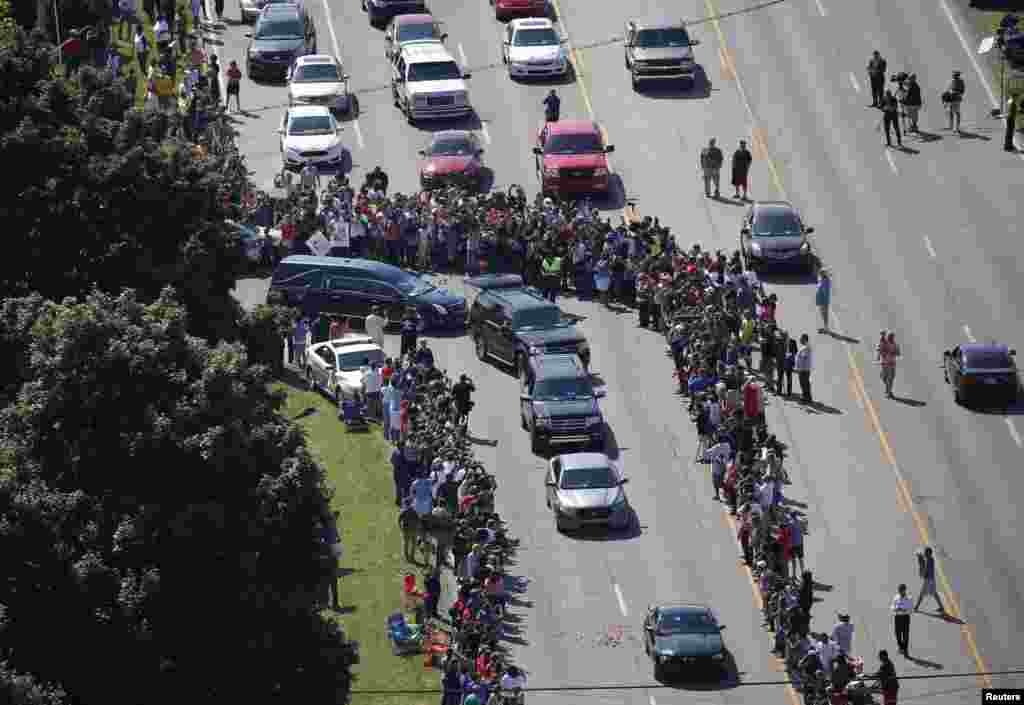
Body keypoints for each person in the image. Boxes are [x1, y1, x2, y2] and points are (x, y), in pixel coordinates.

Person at [914, 547, 945, 613]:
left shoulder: (928, 561)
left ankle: (916, 607)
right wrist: (920, 557)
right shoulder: (931, 559)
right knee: (934, 594)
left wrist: (920, 563)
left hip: (928, 580)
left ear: (928, 553)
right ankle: (942, 607)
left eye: (925, 552)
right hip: (932, 580)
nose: (924, 553)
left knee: (921, 594)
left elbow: (925, 571)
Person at [891, 583, 913, 656]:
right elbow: (892, 606)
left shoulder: (909, 598)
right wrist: (895, 609)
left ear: (905, 590)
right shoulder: (896, 597)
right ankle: (901, 647)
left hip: (905, 617)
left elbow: (911, 610)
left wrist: (904, 610)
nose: (900, 592)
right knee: (897, 633)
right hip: (897, 617)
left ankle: (905, 649)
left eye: (901, 590)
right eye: (899, 590)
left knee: (905, 634)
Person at [878, 331, 901, 398]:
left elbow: (898, 353)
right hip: (885, 364)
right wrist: (880, 355)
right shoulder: (884, 343)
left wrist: (894, 352)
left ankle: (888, 392)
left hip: (891, 364)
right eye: (890, 336)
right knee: (883, 377)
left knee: (890, 379)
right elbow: (880, 350)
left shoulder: (895, 345)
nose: (891, 338)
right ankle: (888, 390)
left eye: (892, 337)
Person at [795, 334, 813, 403]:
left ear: (804, 339)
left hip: (804, 369)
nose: (800, 340)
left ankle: (806, 398)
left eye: (801, 339)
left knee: (804, 384)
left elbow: (804, 358)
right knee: (805, 384)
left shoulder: (806, 348)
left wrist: (799, 367)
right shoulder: (805, 347)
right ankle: (806, 397)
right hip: (804, 369)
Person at [815, 269, 831, 333]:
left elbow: (825, 292)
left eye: (820, 274)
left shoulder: (825, 281)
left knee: (824, 314)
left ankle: (826, 328)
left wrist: (824, 301)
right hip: (821, 301)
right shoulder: (822, 280)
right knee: (823, 314)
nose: (819, 275)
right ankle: (825, 327)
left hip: (823, 301)